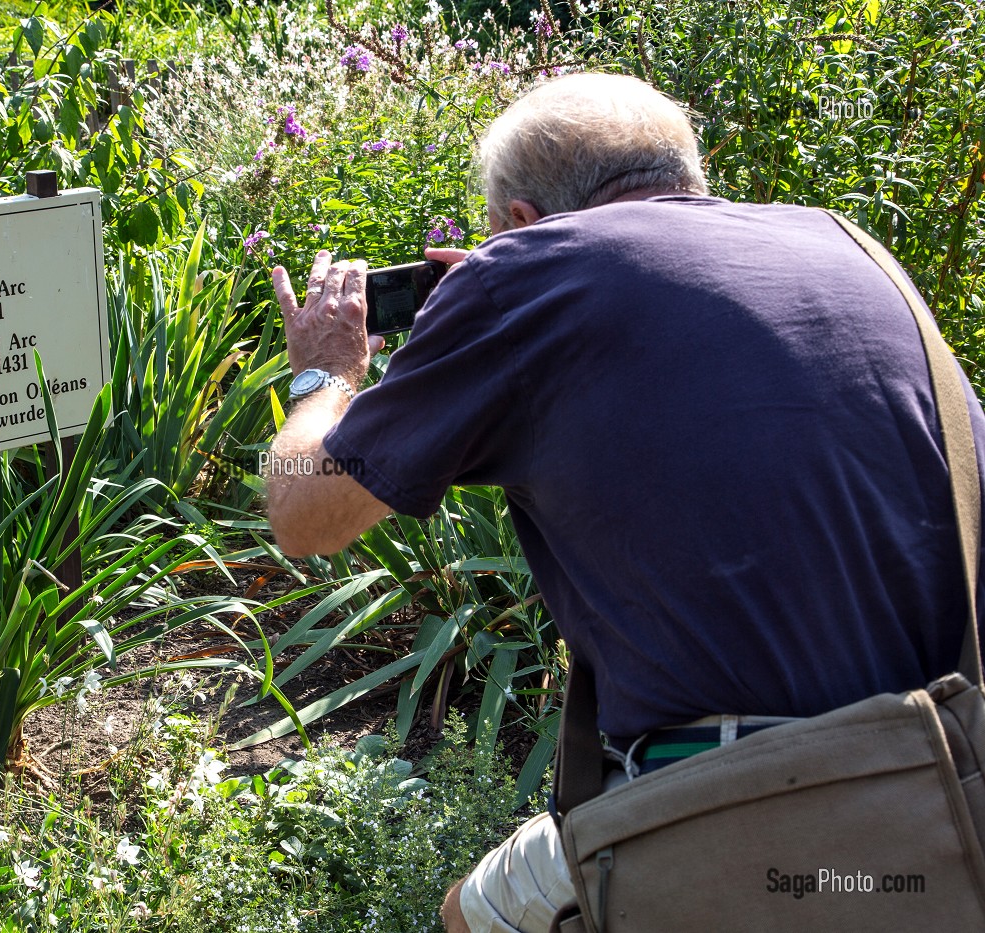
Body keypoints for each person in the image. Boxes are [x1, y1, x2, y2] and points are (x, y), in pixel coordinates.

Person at [263, 71, 985, 933]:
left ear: (522, 223)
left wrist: (327, 373)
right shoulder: (855, 251)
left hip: (751, 823)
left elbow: (305, 514)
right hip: (945, 788)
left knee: (473, 918)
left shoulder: (527, 276)